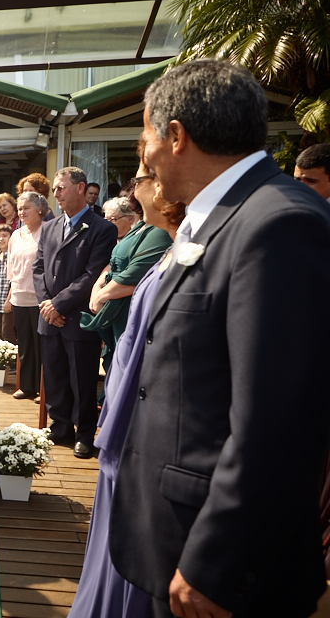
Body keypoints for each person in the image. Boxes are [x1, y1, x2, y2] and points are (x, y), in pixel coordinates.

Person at [110, 59, 330, 618]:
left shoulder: (278, 225)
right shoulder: (221, 220)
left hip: (223, 571)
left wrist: (217, 558)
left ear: (176, 137)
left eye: (144, 137)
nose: (143, 155)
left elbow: (280, 420)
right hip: (177, 538)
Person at [70, 153, 186, 618]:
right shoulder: (160, 242)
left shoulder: (172, 244)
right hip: (125, 390)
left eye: (140, 176)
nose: (134, 184)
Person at [32, 166, 117, 459]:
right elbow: (39, 269)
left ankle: (84, 433)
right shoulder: (50, 226)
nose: (55, 194)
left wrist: (59, 304)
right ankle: (60, 426)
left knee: (81, 379)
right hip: (50, 318)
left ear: (80, 188)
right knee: (55, 375)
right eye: (54, 189)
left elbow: (93, 274)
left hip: (78, 317)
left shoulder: (102, 228)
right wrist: (47, 306)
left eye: (61, 188)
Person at [84, 193, 171, 381]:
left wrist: (101, 297)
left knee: (127, 372)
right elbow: (114, 262)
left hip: (130, 308)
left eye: (112, 219)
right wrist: (97, 286)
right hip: (116, 307)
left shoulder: (161, 230)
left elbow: (134, 275)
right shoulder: (140, 226)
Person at [7, 191, 50, 400]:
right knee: (24, 344)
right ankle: (27, 386)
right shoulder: (15, 235)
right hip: (19, 296)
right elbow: (11, 267)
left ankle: (44, 389)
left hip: (40, 297)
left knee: (42, 345)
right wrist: (9, 296)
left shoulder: (48, 231)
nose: (22, 212)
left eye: (26, 208)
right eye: (20, 208)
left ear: (40, 209)